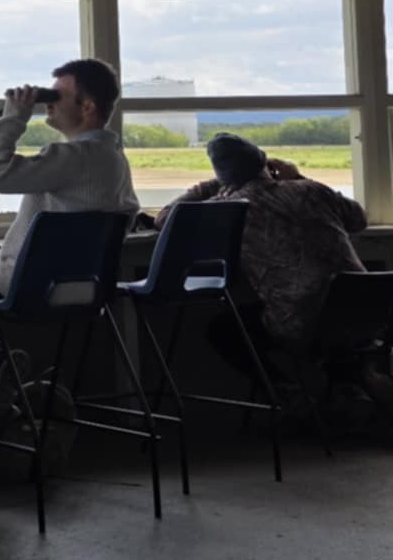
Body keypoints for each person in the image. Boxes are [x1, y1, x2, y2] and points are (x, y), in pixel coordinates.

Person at [157, 133, 387, 416]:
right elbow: (358, 219)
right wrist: (298, 176)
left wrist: (209, 187)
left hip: (303, 322)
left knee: (225, 330)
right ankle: (353, 389)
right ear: (266, 163)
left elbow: (165, 218)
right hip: (367, 312)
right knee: (334, 323)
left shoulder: (228, 209)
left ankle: (290, 396)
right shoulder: (309, 190)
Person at [0, 59, 140, 393]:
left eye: (58, 96)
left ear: (88, 106)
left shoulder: (75, 156)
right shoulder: (113, 159)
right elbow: (69, 233)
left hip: (31, 286)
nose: (48, 103)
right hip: (84, 287)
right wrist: (2, 253)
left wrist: (14, 117)